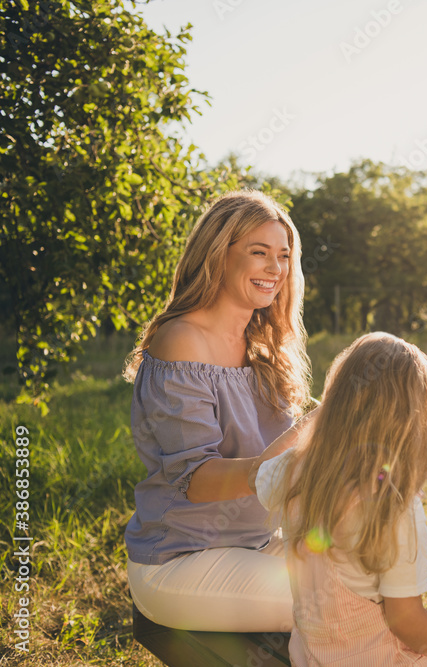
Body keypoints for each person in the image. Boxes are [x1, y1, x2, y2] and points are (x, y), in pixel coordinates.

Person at [123, 190, 312, 632]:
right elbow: (198, 479)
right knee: (334, 606)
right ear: (217, 256)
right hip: (181, 560)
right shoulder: (183, 340)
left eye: (283, 255)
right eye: (258, 252)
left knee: (378, 581)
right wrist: (300, 440)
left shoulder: (264, 345)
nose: (275, 268)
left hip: (258, 545)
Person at [254, 333, 427, 667]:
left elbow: (261, 467)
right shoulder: (393, 507)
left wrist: (320, 418)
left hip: (312, 658)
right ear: (413, 420)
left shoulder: (292, 471)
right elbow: (406, 620)